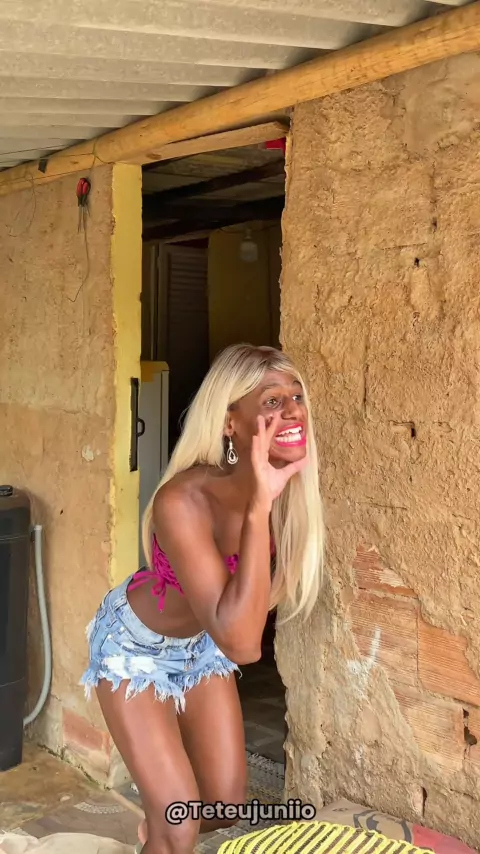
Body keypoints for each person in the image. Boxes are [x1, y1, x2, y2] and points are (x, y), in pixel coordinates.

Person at [81, 343, 324, 854]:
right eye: (272, 401)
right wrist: (258, 508)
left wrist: (265, 502)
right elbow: (243, 644)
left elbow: (233, 630)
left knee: (222, 807)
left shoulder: (286, 496)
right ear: (230, 423)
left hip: (202, 644)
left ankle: (158, 830)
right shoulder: (183, 500)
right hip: (135, 648)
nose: (292, 410)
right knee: (179, 826)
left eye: (297, 397)